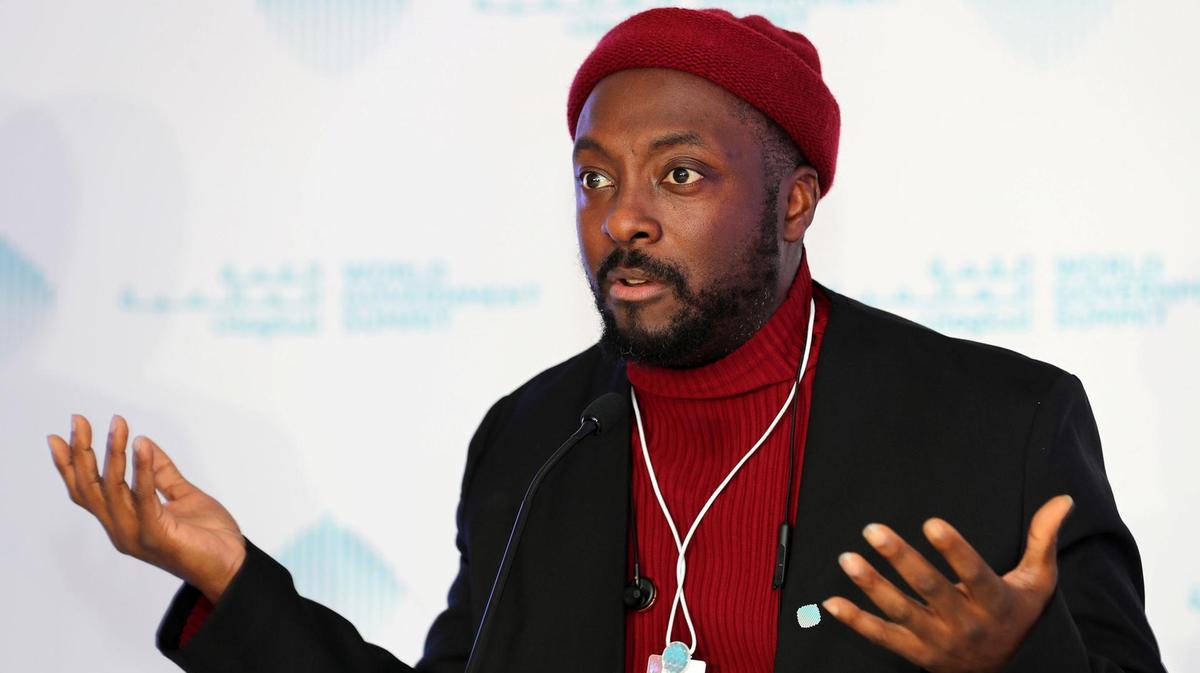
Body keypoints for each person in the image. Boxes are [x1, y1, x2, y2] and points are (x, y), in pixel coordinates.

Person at [47, 7, 1166, 673]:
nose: (622, 218)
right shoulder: (536, 439)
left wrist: (1018, 662)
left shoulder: (1001, 423)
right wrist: (231, 579)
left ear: (794, 202)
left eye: (679, 175)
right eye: (593, 178)